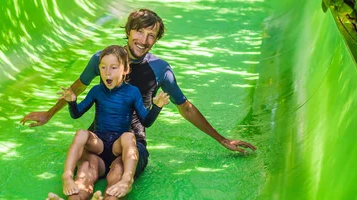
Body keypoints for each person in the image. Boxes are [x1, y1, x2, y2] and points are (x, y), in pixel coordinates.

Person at [22, 9, 257, 199]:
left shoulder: (160, 69)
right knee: (84, 175)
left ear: (156, 39)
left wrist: (223, 140)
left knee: (119, 178)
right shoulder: (104, 59)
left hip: (131, 144)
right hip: (99, 140)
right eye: (139, 32)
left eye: (151, 35)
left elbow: (184, 107)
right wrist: (49, 113)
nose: (144, 40)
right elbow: (79, 87)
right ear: (128, 30)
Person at [56, 45, 170, 198]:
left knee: (129, 137)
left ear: (125, 70)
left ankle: (126, 180)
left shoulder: (132, 92)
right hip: (100, 145)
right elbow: (76, 114)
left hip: (118, 147)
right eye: (103, 67)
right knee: (82, 134)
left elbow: (146, 121)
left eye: (113, 67)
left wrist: (156, 107)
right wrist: (72, 102)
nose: (107, 72)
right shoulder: (96, 90)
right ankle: (67, 176)